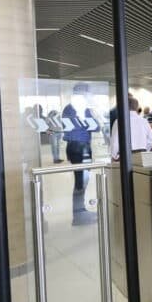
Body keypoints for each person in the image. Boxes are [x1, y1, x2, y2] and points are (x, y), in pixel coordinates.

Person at [63, 83, 99, 225]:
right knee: (81, 182)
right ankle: (78, 216)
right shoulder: (82, 108)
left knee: (80, 181)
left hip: (72, 147)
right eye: (87, 92)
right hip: (81, 147)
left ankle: (80, 211)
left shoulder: (68, 107)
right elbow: (96, 126)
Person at [111, 96, 152, 161]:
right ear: (137, 107)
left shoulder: (119, 121)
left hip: (124, 157)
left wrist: (114, 156)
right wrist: (144, 150)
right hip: (141, 156)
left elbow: (115, 142)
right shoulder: (144, 121)